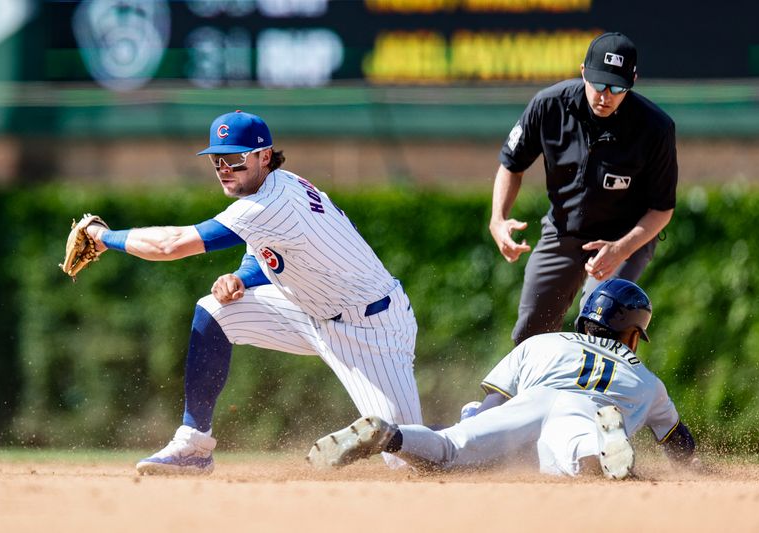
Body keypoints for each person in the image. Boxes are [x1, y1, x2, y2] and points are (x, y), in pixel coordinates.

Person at [84, 110, 423, 475]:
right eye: (217, 160)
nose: (224, 168)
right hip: (311, 311)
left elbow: (171, 245)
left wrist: (102, 237)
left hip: (371, 329)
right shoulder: (277, 185)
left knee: (410, 459)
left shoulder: (270, 204)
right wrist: (243, 278)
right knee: (215, 310)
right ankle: (194, 446)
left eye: (234, 158)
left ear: (264, 156)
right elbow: (265, 249)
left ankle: (474, 429)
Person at [307, 280, 698, 479]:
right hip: (588, 414)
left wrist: (475, 422)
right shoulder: (648, 381)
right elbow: (679, 442)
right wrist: (690, 467)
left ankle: (391, 436)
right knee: (576, 459)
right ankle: (602, 446)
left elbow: (491, 407)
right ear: (632, 333)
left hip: (534, 400)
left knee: (451, 448)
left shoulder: (543, 343)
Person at [489, 32, 678, 345]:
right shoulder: (548, 105)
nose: (605, 95)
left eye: (617, 87)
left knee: (599, 324)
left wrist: (621, 249)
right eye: (599, 83)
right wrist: (498, 218)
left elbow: (662, 209)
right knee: (530, 334)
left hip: (625, 238)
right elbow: (512, 164)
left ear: (632, 81)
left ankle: (595, 394)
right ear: (582, 72)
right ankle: (515, 396)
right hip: (565, 229)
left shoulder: (656, 128)